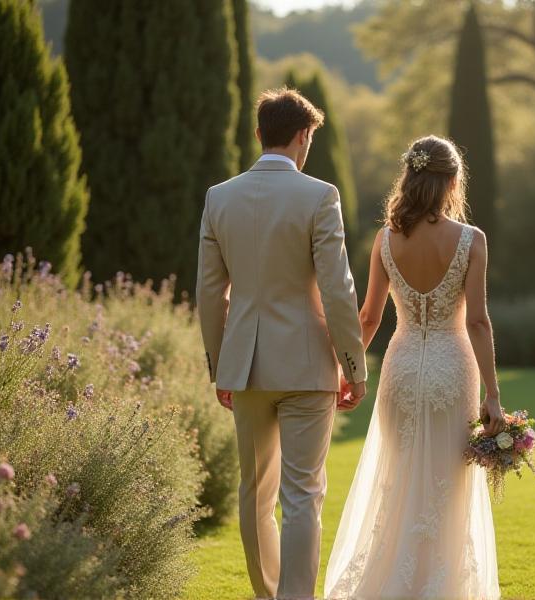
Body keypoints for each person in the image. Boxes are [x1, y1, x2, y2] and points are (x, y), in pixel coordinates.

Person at [196, 87, 367, 600]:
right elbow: (338, 290)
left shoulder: (217, 197)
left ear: (257, 135)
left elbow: (209, 293)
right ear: (303, 136)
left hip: (243, 368)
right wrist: (353, 366)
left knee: (255, 495)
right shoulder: (320, 196)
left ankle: (268, 595)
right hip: (307, 365)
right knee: (303, 495)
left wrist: (219, 368)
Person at [325, 135, 503, 599]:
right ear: (450, 182)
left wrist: (347, 373)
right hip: (452, 367)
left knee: (399, 479)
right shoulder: (471, 240)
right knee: (446, 484)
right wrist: (493, 396)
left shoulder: (386, 240)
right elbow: (480, 322)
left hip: (401, 369)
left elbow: (368, 317)